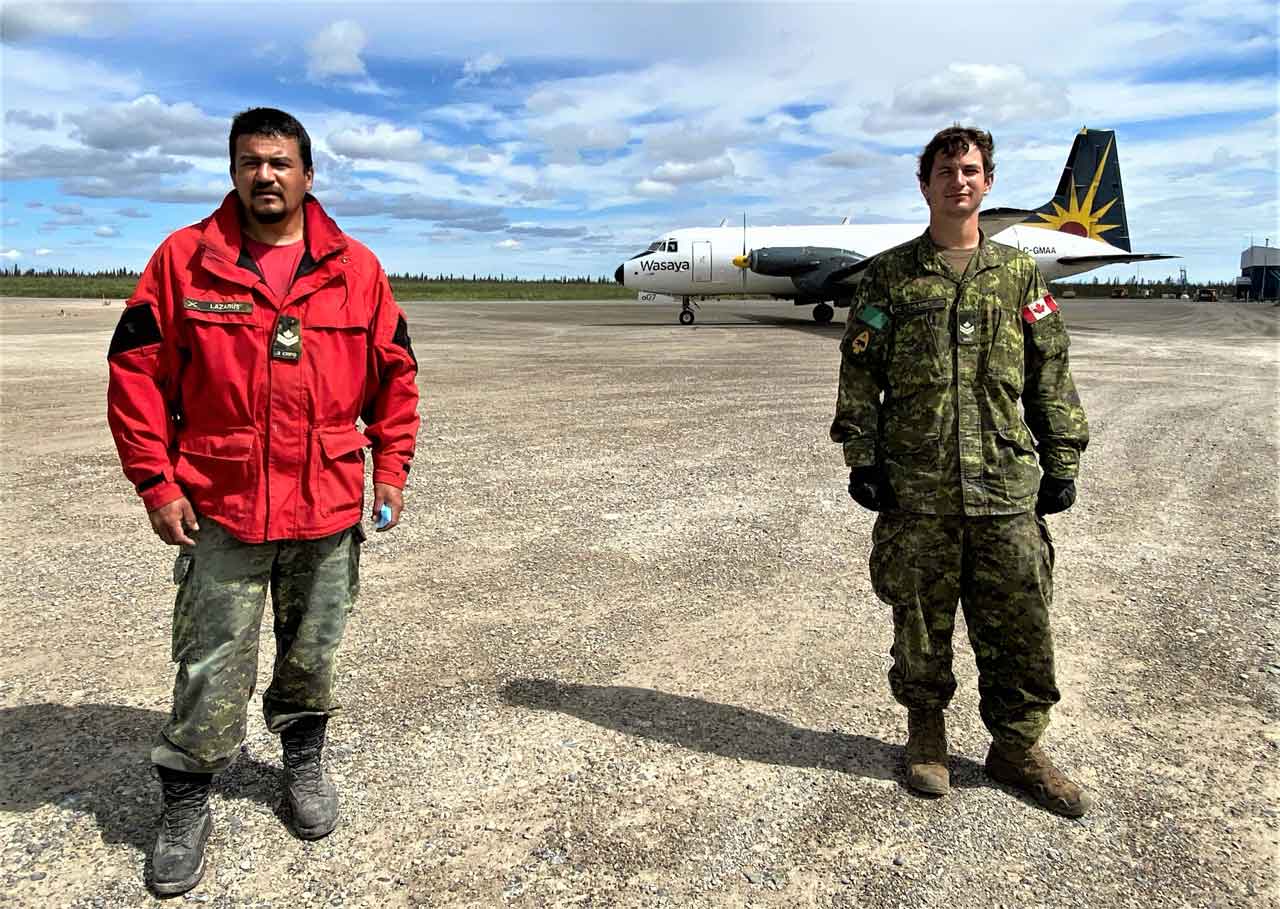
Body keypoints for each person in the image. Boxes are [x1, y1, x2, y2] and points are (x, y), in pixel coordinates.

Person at [107, 107, 420, 895]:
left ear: (308, 175)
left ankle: (302, 764)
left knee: (313, 654)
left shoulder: (357, 268)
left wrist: (391, 469)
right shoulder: (185, 262)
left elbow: (395, 374)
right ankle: (186, 798)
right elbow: (136, 373)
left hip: (325, 501)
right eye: (250, 162)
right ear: (233, 171)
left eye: (280, 162)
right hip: (223, 502)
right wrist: (156, 480)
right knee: (209, 663)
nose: (265, 175)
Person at [830, 125, 1092, 817]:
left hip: (1005, 481)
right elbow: (860, 370)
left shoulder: (1019, 275)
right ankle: (927, 735)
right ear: (925, 185)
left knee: (1020, 622)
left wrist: (1061, 454)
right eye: (945, 170)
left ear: (988, 182)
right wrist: (863, 454)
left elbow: (1051, 368)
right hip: (919, 486)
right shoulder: (890, 275)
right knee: (919, 619)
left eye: (970, 169)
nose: (959, 181)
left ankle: (1017, 745)